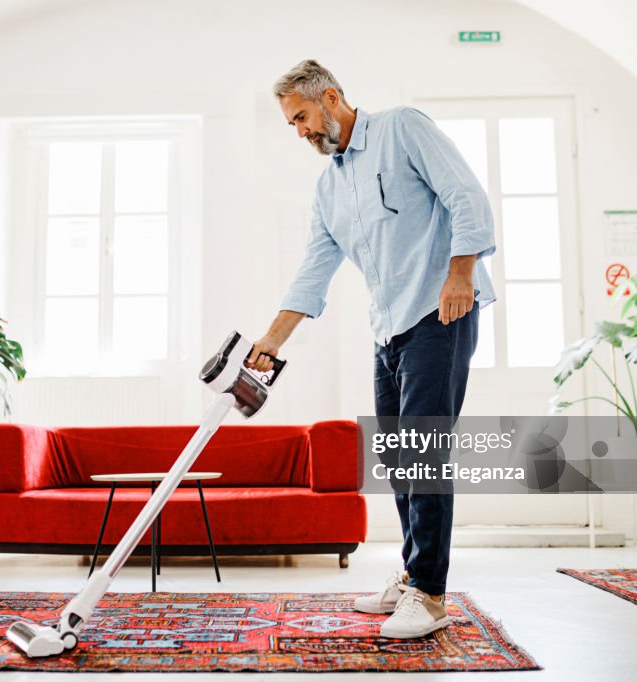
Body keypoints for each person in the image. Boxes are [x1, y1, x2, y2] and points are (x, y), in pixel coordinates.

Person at [247, 59, 496, 639]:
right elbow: (314, 270)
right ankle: (414, 575)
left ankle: (431, 597)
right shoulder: (329, 187)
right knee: (395, 458)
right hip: (389, 330)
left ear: (331, 98)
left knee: (422, 452)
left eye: (303, 117)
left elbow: (466, 196)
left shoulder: (400, 128)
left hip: (442, 310)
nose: (301, 132)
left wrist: (461, 273)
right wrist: (270, 341)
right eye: (292, 124)